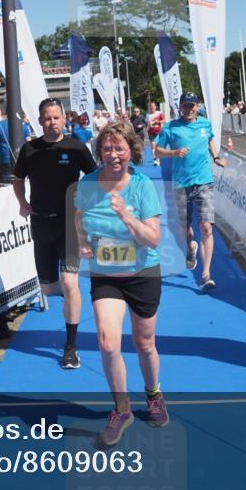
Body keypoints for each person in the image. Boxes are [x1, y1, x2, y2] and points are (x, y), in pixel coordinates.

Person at [74, 122, 166, 446]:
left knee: (144, 344)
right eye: (107, 148)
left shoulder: (141, 187)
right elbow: (78, 219)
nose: (114, 154)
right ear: (99, 152)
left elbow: (154, 238)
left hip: (142, 273)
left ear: (131, 151)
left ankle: (153, 394)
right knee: (109, 343)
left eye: (120, 148)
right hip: (106, 276)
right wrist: (83, 243)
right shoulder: (87, 185)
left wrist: (128, 217)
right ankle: (122, 409)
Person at [13, 98, 97, 369]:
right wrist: (22, 203)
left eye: (56, 118)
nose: (52, 123)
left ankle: (71, 347)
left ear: (64, 119)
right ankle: (68, 294)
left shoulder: (76, 147)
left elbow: (94, 177)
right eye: (47, 118)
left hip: (70, 225)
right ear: (39, 121)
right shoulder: (30, 149)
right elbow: (17, 178)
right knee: (49, 288)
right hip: (40, 223)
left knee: (71, 284)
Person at [153, 92, 227, 290]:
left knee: (207, 228)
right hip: (181, 184)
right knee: (185, 228)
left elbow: (210, 140)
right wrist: (173, 153)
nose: (189, 109)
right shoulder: (171, 127)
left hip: (204, 181)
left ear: (197, 106)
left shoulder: (204, 124)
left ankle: (206, 274)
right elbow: (156, 151)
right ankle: (191, 246)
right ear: (180, 107)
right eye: (186, 106)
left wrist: (216, 157)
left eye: (192, 105)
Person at [147, 101, 165, 165]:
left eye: (153, 106)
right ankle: (155, 160)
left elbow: (164, 120)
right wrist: (147, 129)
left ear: (155, 107)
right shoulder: (148, 115)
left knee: (158, 146)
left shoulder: (159, 113)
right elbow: (148, 124)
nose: (152, 107)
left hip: (158, 132)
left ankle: (158, 159)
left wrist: (158, 122)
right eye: (151, 106)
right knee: (153, 146)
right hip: (151, 133)